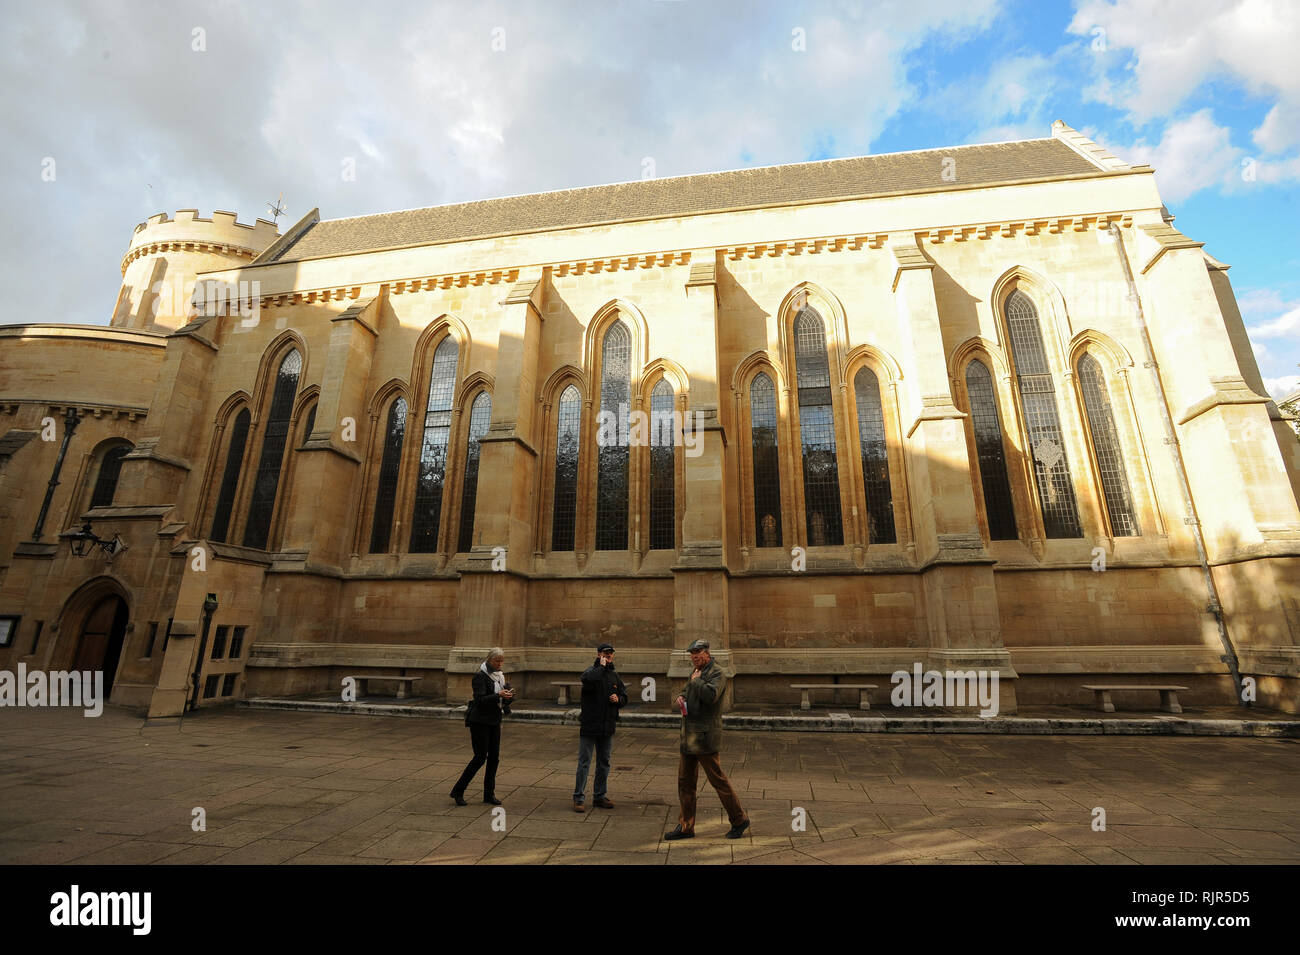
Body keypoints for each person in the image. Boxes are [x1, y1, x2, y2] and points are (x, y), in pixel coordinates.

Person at [664, 639, 750, 840]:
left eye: (698, 653)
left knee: (718, 781)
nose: (694, 656)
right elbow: (686, 691)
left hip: (705, 737)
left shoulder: (717, 673)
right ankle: (686, 827)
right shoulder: (695, 672)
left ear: (707, 653)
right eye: (692, 653)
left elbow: (711, 696)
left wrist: (696, 681)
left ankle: (739, 819)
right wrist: (681, 697)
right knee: (685, 783)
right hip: (689, 737)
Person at [450, 648, 514, 806]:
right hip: (479, 721)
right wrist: (498, 695)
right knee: (479, 758)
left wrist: (509, 696)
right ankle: (458, 791)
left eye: (501, 661)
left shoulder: (500, 676)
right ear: (489, 660)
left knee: (494, 758)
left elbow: (503, 700)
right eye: (496, 661)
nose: (499, 664)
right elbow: (479, 700)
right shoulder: (480, 676)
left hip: (494, 720)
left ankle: (488, 794)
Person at [573, 642, 628, 813]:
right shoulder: (591, 671)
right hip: (590, 725)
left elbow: (624, 696)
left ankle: (599, 796)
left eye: (610, 653)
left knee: (604, 763)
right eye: (605, 653)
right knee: (584, 762)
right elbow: (588, 680)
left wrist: (618, 699)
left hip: (607, 725)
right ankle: (579, 798)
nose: (608, 655)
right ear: (598, 655)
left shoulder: (614, 676)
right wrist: (601, 667)